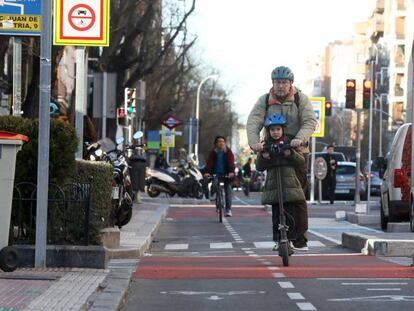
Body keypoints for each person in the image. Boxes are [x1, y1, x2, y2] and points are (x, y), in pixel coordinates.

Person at [246, 66, 317, 250]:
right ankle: (280, 237)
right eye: (277, 82)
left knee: (297, 195)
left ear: (290, 84)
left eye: (284, 82)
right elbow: (253, 122)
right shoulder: (265, 101)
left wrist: (299, 139)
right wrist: (255, 143)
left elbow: (310, 121)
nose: (280, 86)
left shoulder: (300, 99)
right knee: (277, 195)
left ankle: (300, 238)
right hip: (273, 150)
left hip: (296, 151)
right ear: (273, 83)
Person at [256, 113, 306, 251]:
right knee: (276, 215)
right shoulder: (266, 146)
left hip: (289, 185)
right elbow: (259, 167)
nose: (275, 132)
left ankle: (290, 239)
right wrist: (263, 156)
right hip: (274, 186)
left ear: (283, 129)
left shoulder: (289, 143)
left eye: (278, 129)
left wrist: (291, 154)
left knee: (289, 213)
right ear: (268, 131)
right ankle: (278, 240)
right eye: (272, 130)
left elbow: (301, 161)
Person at [204, 136, 235, 217]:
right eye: (219, 141)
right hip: (216, 174)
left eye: (223, 141)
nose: (221, 143)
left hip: (226, 174)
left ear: (225, 143)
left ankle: (228, 209)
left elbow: (231, 162)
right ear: (216, 143)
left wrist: (231, 172)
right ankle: (217, 202)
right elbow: (209, 163)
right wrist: (207, 172)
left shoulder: (228, 152)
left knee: (228, 191)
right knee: (214, 185)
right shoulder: (213, 152)